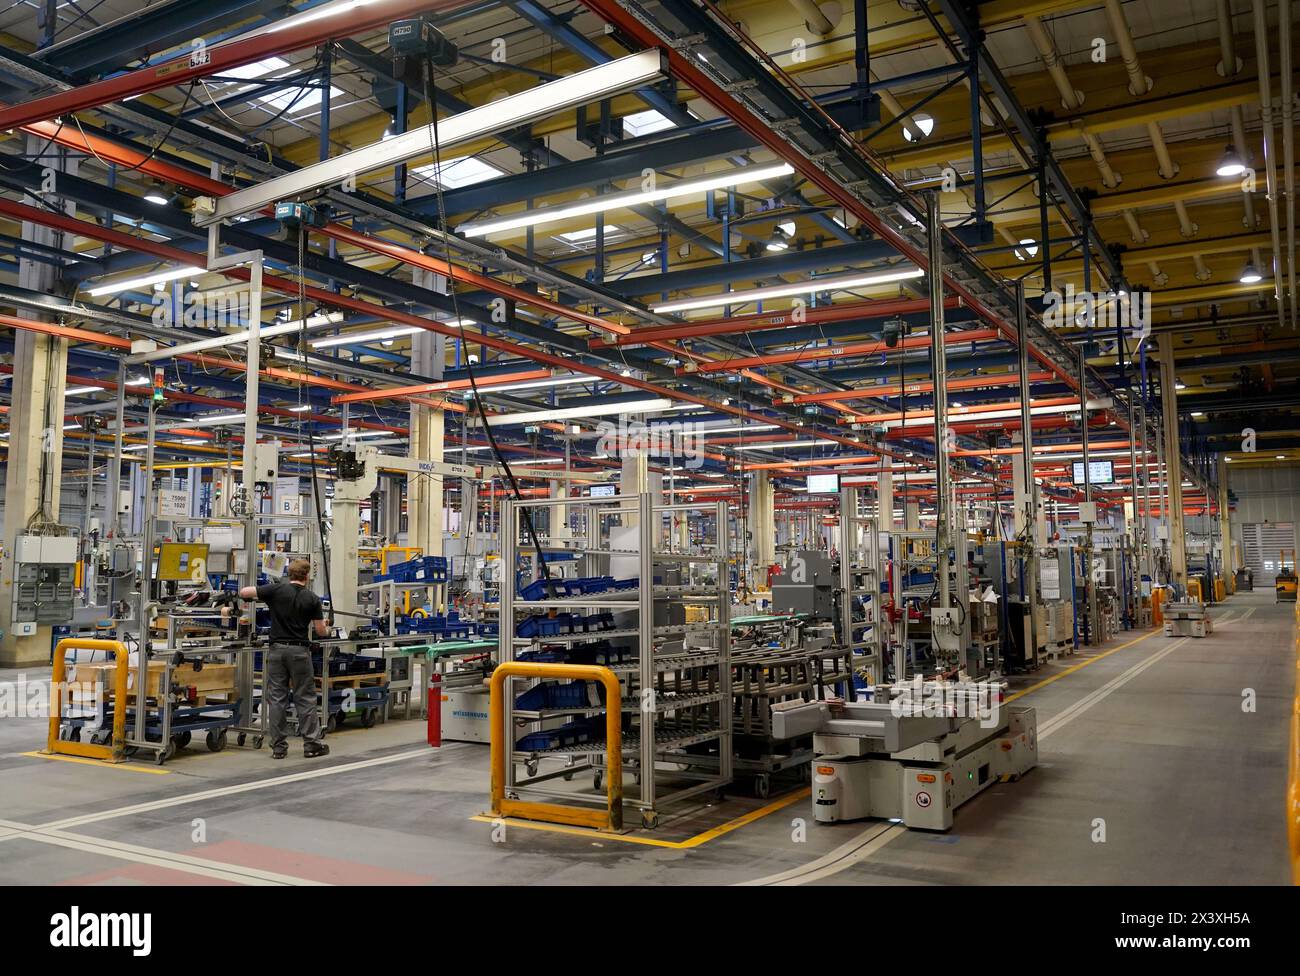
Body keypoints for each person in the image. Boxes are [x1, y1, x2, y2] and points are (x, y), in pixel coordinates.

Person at [239, 559, 331, 760]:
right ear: (307, 576)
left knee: (277, 699)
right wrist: (327, 626)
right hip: (299, 652)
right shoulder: (312, 598)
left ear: (289, 574)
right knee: (305, 698)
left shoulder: (275, 590)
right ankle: (311, 745)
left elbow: (245, 592)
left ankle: (279, 748)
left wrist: (259, 595)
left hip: (276, 651)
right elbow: (320, 631)